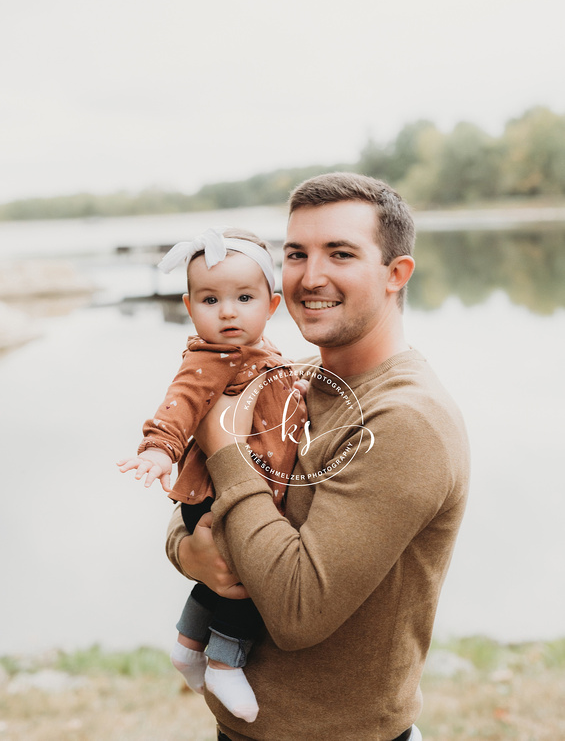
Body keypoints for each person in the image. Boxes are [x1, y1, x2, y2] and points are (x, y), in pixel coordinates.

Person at [166, 173, 470, 741]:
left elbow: (298, 611)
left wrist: (224, 445)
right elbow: (198, 499)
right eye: (296, 254)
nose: (312, 277)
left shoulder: (406, 421)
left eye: (341, 253)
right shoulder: (293, 383)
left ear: (395, 274)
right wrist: (188, 553)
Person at [117, 227, 306, 724]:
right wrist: (159, 449)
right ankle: (224, 658)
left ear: (271, 305)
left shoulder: (265, 355)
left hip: (240, 487)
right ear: (189, 306)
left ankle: (187, 643)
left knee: (221, 575)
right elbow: (179, 406)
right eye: (210, 299)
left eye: (243, 298)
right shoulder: (209, 360)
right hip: (218, 491)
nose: (227, 311)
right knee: (251, 575)